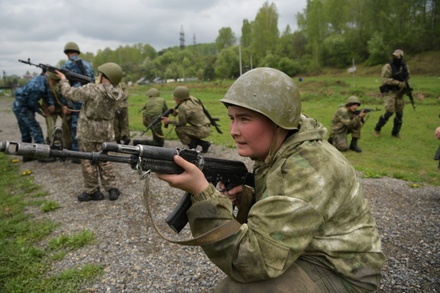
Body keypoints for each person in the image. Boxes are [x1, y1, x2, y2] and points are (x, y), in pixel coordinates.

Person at [156, 68, 385, 292]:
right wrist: (246, 197)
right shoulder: (284, 147)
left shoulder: (306, 169)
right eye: (231, 118)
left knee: (235, 290)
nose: (233, 130)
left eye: (244, 119)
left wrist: (202, 192)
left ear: (278, 122)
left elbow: (251, 261)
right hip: (313, 249)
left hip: (343, 271)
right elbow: (285, 200)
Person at [55, 62, 124, 202]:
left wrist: (63, 80)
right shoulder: (118, 93)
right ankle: (112, 189)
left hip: (88, 132)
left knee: (88, 161)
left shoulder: (92, 89)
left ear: (104, 76)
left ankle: (93, 191)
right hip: (105, 132)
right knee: (105, 160)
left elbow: (69, 93)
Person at [60, 42, 95, 162]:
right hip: (89, 99)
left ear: (68, 53)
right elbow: (93, 83)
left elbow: (64, 86)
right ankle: (91, 153)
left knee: (75, 127)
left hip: (75, 101)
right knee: (89, 126)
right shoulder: (88, 65)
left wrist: (64, 103)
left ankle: (76, 155)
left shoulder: (67, 65)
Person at [12, 68, 55, 162]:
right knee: (36, 129)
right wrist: (41, 112)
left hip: (20, 105)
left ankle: (27, 155)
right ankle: (42, 155)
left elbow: (47, 93)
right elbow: (31, 103)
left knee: (25, 131)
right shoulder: (38, 86)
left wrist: (51, 104)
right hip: (22, 107)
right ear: (47, 74)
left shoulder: (43, 81)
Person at [161, 86, 211, 153]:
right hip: (206, 127)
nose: (174, 99)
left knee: (179, 129)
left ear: (178, 99)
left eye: (175, 98)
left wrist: (169, 121)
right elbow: (190, 112)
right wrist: (178, 113)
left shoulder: (183, 107)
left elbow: (182, 123)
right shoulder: (192, 99)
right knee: (188, 130)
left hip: (201, 130)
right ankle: (204, 144)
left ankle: (192, 148)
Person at [374, 49, 410, 138]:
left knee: (399, 113)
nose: (395, 58)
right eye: (394, 56)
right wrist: (397, 83)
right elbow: (385, 79)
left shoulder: (405, 66)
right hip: (390, 92)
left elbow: (407, 77)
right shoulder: (388, 66)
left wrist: (405, 85)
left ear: (401, 57)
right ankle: (377, 128)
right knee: (389, 112)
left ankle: (395, 133)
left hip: (400, 93)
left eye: (397, 56)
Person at [42, 72, 67, 145]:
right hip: (49, 109)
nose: (56, 82)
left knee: (67, 123)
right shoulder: (45, 84)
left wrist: (64, 105)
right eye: (54, 80)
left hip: (60, 107)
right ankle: (51, 143)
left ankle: (65, 140)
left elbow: (64, 95)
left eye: (57, 81)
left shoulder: (60, 84)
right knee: (51, 128)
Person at [114, 79, 131, 145]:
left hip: (115, 107)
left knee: (115, 123)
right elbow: (126, 95)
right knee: (124, 123)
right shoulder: (123, 85)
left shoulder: (113, 85)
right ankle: (125, 137)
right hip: (124, 107)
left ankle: (118, 138)